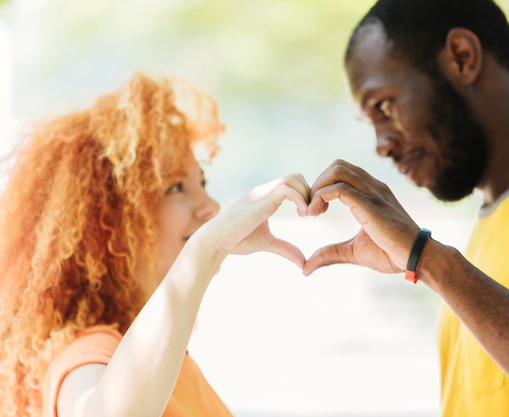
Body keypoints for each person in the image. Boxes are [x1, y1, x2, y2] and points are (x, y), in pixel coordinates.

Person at [303, 0, 509, 416]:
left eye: (384, 106)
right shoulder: (503, 215)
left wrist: (428, 259)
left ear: (461, 58)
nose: (382, 145)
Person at [0, 72, 310, 417]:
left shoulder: (160, 349)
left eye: (202, 182)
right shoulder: (91, 349)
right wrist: (205, 248)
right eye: (175, 187)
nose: (211, 206)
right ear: (109, 222)